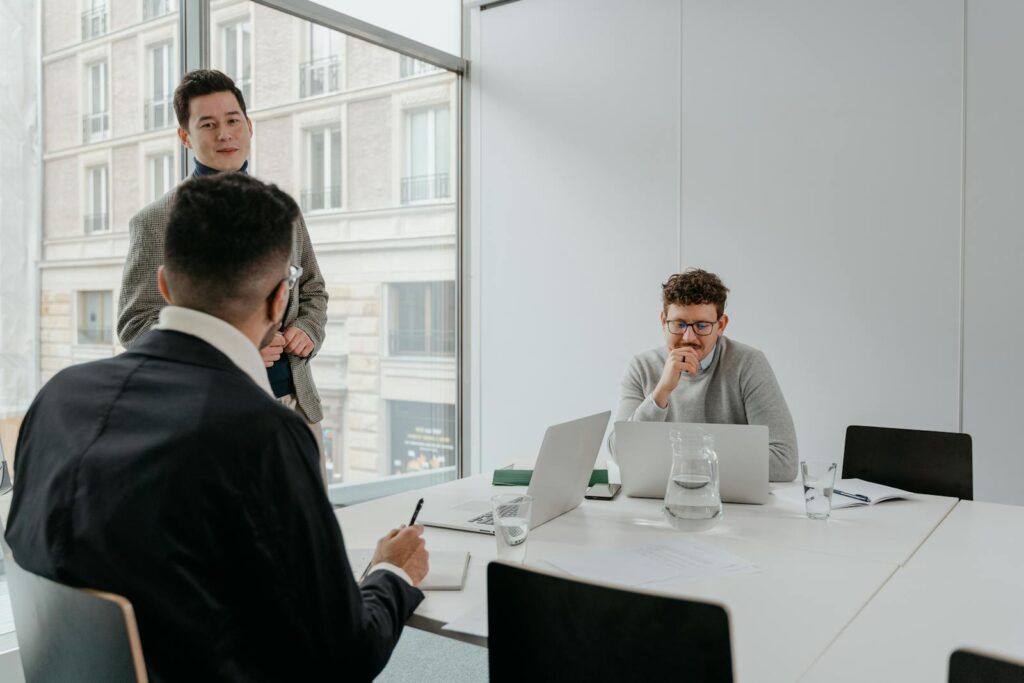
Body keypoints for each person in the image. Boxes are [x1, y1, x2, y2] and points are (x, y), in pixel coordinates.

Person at [6, 174, 429, 681]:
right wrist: (392, 571)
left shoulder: (58, 397)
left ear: (163, 284)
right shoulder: (263, 433)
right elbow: (342, 657)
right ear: (278, 302)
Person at [117, 69, 330, 481]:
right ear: (185, 137)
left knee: (307, 535)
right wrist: (235, 347)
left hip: (295, 405)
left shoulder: (282, 211)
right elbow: (135, 325)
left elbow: (313, 289)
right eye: (208, 124)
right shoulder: (156, 221)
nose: (224, 134)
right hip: (207, 414)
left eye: (233, 121)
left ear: (248, 127)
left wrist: (309, 328)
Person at [611, 269, 798, 481]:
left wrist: (682, 462)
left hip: (731, 506)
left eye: (702, 326)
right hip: (657, 501)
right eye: (679, 324)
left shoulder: (749, 363)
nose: (688, 337)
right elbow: (620, 453)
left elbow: (785, 462)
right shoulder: (642, 366)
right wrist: (661, 393)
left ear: (721, 325)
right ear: (664, 321)